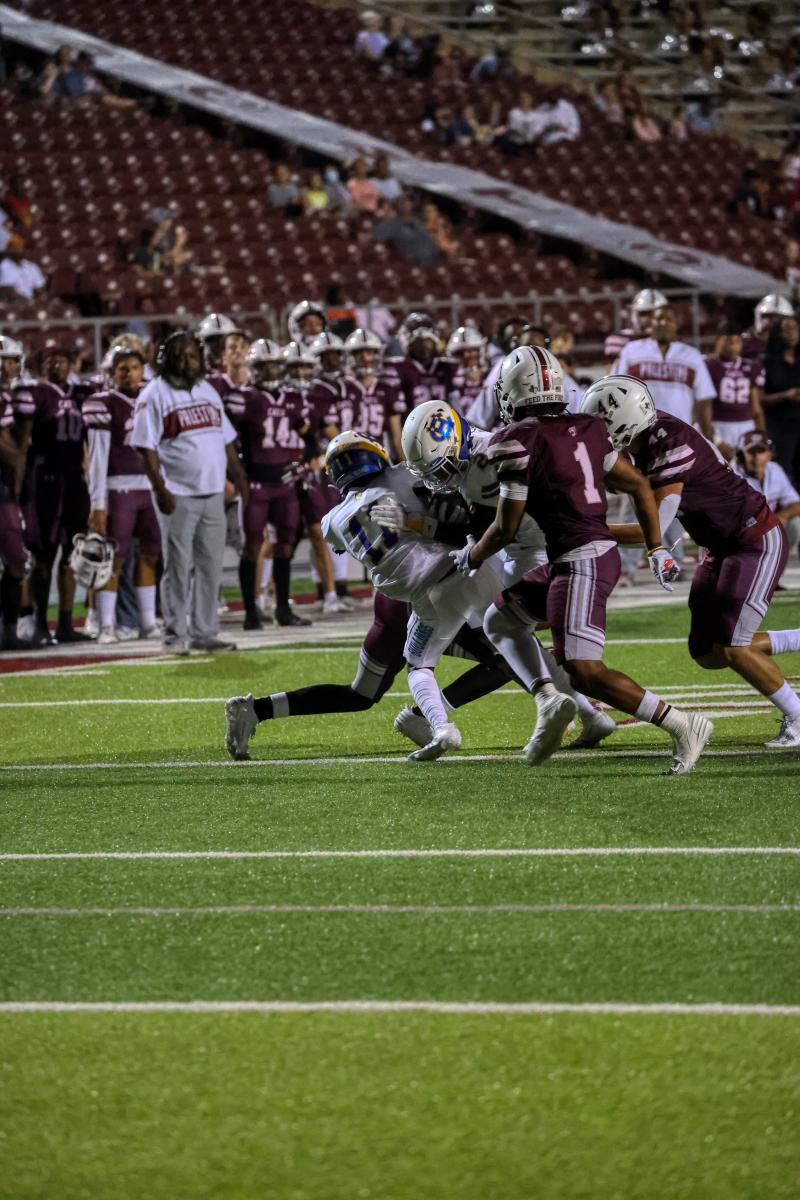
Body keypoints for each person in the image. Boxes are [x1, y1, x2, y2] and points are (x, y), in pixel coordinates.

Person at [457, 348, 712, 774]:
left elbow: (505, 526)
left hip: (582, 560)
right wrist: (655, 546)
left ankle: (682, 724)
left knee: (585, 671)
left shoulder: (516, 439)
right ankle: (547, 700)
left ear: (512, 391)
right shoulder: (588, 427)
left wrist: (472, 554)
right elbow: (639, 486)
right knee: (500, 620)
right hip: (579, 556)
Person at [584, 375, 800, 750]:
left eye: (603, 425)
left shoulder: (670, 443)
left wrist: (583, 528)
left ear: (625, 421)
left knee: (733, 646)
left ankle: (797, 716)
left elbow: (652, 527)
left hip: (752, 539)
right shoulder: (643, 436)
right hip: (718, 544)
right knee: (708, 653)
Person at [401, 399, 617, 751]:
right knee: (509, 633)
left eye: (440, 469)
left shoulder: (487, 459)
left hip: (536, 548)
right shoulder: (475, 451)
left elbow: (495, 528)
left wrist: (462, 547)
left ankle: (558, 704)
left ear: (458, 443)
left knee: (505, 628)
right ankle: (588, 714)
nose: (437, 480)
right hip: (526, 545)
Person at [131, 330, 248, 654]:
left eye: (192, 355)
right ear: (165, 359)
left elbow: (226, 439)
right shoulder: (154, 394)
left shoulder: (207, 390)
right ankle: (174, 635)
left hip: (213, 491)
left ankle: (204, 632)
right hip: (177, 492)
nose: (186, 362)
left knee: (210, 565)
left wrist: (239, 477)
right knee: (178, 566)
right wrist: (160, 489)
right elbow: (145, 448)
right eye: (179, 356)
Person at [226, 339, 310, 629]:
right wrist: (234, 474)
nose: (271, 370)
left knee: (285, 546)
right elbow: (228, 439)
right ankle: (251, 613)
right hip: (256, 483)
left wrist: (305, 460)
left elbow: (309, 436)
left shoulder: (291, 398)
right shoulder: (244, 398)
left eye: (274, 365)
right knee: (251, 546)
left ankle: (282, 608)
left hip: (284, 484)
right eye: (264, 366)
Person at [83, 347, 161, 642]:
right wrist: (97, 503)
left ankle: (148, 623)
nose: (129, 374)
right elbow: (98, 457)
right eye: (123, 368)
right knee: (112, 559)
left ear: (143, 371)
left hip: (150, 487)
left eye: (135, 368)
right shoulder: (104, 403)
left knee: (150, 555)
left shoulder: (153, 398)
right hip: (119, 488)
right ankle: (106, 625)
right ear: (111, 373)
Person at [732, 430, 800, 578]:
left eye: (761, 451)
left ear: (769, 454)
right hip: (740, 530)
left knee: (795, 523)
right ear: (741, 454)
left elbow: (796, 503)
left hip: (766, 526)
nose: (756, 457)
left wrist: (782, 515)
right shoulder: (732, 473)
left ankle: (774, 573)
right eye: (751, 452)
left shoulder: (775, 470)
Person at [704, 323, 765, 459]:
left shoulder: (751, 366)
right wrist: (716, 438)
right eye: (728, 341)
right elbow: (702, 407)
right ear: (718, 341)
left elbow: (756, 408)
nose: (732, 346)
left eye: (736, 342)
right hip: (718, 425)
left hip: (747, 426)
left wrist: (762, 436)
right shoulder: (706, 366)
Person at [762, 314, 800, 487]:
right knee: (783, 473)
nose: (791, 333)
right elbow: (759, 398)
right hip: (780, 427)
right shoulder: (767, 362)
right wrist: (785, 395)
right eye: (786, 329)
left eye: (794, 328)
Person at [372, 198, 440, 265]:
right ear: (396, 207)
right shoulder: (390, 224)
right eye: (402, 204)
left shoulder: (418, 222)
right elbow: (374, 238)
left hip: (432, 261)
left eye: (407, 203)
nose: (405, 206)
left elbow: (429, 241)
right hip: (411, 264)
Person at [0, 234, 45, 302]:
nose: (14, 249)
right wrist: (30, 302)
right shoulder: (3, 266)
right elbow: (9, 292)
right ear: (7, 250)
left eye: (17, 247)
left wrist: (40, 299)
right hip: (11, 303)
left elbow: (40, 288)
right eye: (11, 247)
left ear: (23, 249)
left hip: (30, 302)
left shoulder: (32, 267)